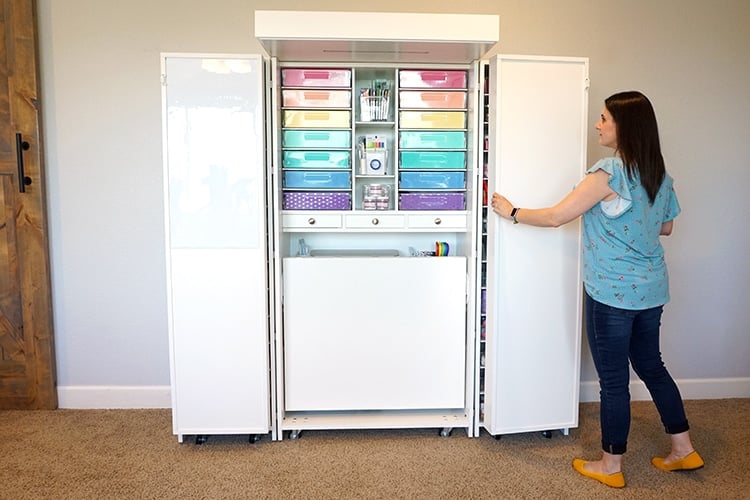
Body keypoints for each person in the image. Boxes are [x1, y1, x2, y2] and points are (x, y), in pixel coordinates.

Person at [491, 91, 703, 488]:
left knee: (613, 381)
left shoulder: (610, 172)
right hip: (652, 288)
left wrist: (513, 212)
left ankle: (610, 465)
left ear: (625, 126)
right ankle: (683, 448)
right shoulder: (658, 173)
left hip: (612, 294)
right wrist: (631, 221)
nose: (598, 125)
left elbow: (557, 216)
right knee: (652, 366)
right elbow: (667, 227)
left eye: (604, 118)